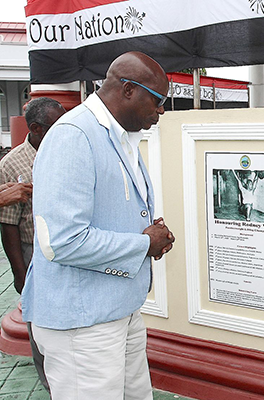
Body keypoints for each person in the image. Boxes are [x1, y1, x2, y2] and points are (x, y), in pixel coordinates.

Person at [21, 51, 175, 400]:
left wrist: (150, 236)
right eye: (158, 100)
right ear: (127, 90)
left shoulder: (117, 135)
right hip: (82, 324)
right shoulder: (73, 135)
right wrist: (142, 245)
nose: (162, 110)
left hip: (118, 310)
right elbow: (62, 241)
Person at [0, 97, 65, 295]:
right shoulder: (12, 164)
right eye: (56, 126)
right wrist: (19, 273)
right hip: (33, 249)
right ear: (36, 128)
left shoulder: (68, 151)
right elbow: (8, 224)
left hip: (68, 245)